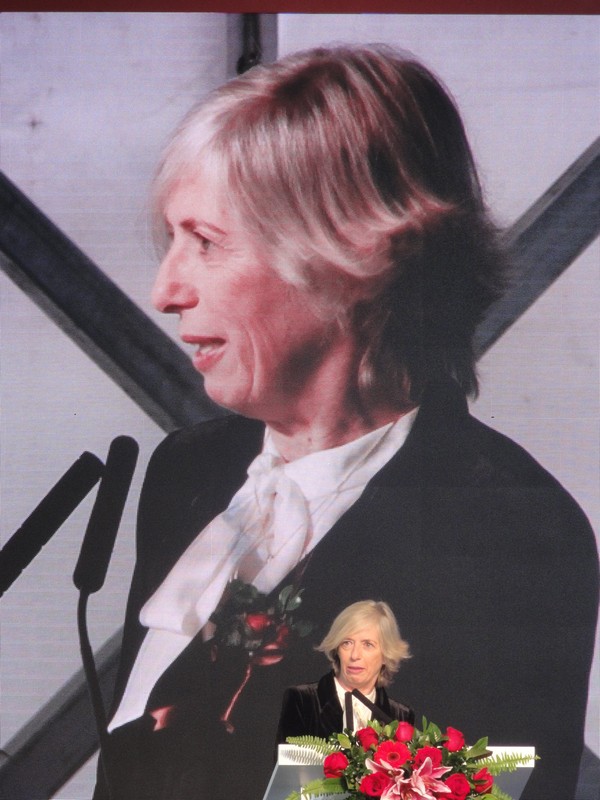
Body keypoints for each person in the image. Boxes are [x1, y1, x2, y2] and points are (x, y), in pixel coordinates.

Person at [94, 45, 599, 800]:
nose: (165, 291)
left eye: (205, 243)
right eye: (173, 242)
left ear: (347, 255)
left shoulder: (512, 533)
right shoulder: (188, 470)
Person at [276, 600, 414, 744]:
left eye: (368, 644)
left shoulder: (400, 716)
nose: (354, 655)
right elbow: (288, 758)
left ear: (386, 654)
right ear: (337, 649)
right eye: (347, 643)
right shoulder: (302, 701)